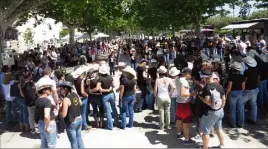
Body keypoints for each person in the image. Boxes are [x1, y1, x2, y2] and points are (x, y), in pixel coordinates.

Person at [198, 69, 226, 148]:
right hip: (219, 111)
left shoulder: (207, 87)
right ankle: (222, 145)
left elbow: (208, 102)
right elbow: (224, 98)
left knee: (205, 131)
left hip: (210, 113)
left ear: (205, 78)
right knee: (219, 129)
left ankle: (205, 147)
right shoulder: (219, 85)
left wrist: (200, 97)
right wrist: (222, 108)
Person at [59, 81, 84, 148]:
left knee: (73, 142)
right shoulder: (75, 94)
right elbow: (80, 103)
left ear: (66, 89)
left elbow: (63, 115)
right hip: (79, 118)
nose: (60, 90)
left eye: (61, 89)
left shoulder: (66, 99)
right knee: (79, 138)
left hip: (71, 122)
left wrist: (60, 108)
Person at [175, 67, 196, 145]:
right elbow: (183, 93)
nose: (190, 76)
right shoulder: (184, 81)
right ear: (187, 73)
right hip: (184, 103)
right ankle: (187, 139)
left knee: (178, 119)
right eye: (190, 74)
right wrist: (192, 94)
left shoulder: (177, 78)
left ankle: (178, 133)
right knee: (186, 123)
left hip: (178, 102)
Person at [35, 79, 57, 148]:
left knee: (43, 145)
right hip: (48, 124)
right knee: (51, 145)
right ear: (44, 90)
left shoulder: (37, 100)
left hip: (40, 123)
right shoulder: (47, 101)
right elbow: (46, 116)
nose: (50, 90)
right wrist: (47, 127)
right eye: (49, 88)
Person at [96, 65, 118, 130]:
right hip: (111, 94)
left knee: (108, 111)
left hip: (105, 96)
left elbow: (98, 89)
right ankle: (116, 122)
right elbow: (113, 86)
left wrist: (106, 90)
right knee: (114, 108)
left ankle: (110, 126)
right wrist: (109, 89)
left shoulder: (100, 79)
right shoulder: (110, 77)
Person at [226, 62, 245, 128]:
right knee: (241, 109)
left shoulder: (231, 77)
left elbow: (229, 86)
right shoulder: (242, 76)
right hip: (240, 93)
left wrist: (226, 94)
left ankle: (233, 124)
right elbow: (243, 87)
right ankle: (241, 123)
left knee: (232, 109)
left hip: (233, 93)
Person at [243, 56, 260, 124]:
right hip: (255, 88)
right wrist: (256, 85)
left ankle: (242, 119)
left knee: (242, 104)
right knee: (254, 104)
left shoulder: (246, 72)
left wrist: (243, 89)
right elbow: (258, 79)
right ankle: (254, 119)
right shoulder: (257, 70)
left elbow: (244, 81)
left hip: (248, 90)